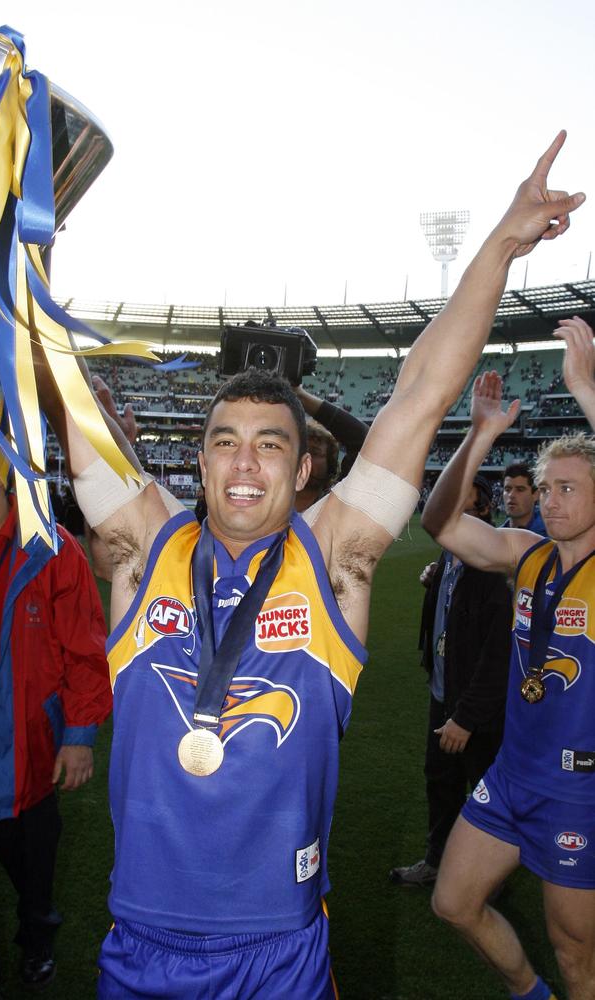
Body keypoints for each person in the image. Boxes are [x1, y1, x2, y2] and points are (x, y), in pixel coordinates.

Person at [43, 134, 583, 999]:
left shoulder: (332, 560)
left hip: (279, 952)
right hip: (138, 943)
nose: (245, 464)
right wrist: (16, 242)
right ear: (200, 464)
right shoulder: (143, 549)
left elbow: (419, 397)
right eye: (225, 444)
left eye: (269, 446)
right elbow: (63, 396)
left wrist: (503, 243)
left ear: (302, 472)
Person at [420, 316, 595, 1000]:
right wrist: (479, 433)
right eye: (546, 488)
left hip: (580, 791)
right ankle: (532, 994)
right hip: (513, 775)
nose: (549, 501)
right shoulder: (528, 555)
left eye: (567, 488)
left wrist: (585, 390)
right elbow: (440, 524)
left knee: (577, 954)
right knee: (453, 902)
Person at [0, 478, 112, 1000]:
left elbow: (86, 649)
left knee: (31, 867)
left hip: (27, 743)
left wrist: (80, 735)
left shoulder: (51, 547)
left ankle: (37, 934)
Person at [390, 475, 511, 888]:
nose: (449, 515)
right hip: (444, 695)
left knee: (486, 793)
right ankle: (437, 862)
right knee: (440, 783)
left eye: (463, 507)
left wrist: (467, 717)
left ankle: (489, 880)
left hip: (475, 711)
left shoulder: (495, 574)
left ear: (483, 514)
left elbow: (499, 660)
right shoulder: (447, 560)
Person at [293, 385, 368, 511]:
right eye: (300, 451)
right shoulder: (269, 503)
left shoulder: (338, 502)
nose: (304, 458)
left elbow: (364, 440)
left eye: (314, 452)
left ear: (330, 464)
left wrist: (301, 397)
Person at [502, 461, 546, 533]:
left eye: (520, 490)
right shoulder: (496, 537)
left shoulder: (552, 536)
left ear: (536, 495)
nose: (511, 495)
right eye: (507, 489)